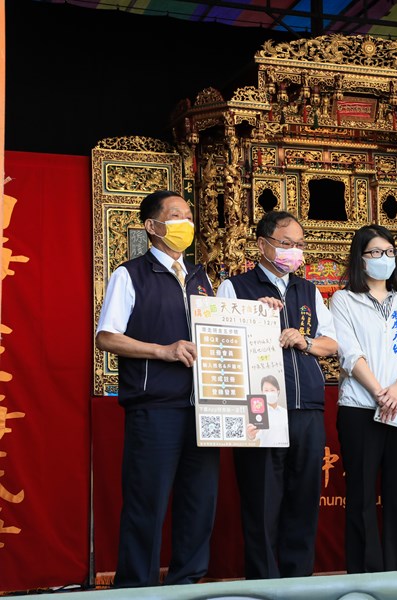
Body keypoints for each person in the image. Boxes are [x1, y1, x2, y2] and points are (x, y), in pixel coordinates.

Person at [95, 190, 219, 588]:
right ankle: (136, 589)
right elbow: (107, 337)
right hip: (155, 407)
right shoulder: (129, 274)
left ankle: (188, 584)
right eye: (176, 215)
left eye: (188, 214)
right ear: (152, 227)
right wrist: (162, 351)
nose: (187, 222)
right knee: (147, 504)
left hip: (205, 408)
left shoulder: (202, 278)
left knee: (198, 504)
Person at [216, 209, 338, 578]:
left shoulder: (309, 290)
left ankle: (298, 581)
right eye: (286, 244)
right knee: (262, 500)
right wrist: (254, 316)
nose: (293, 251)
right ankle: (265, 582)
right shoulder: (235, 288)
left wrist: (306, 341)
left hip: (306, 408)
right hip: (260, 410)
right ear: (262, 245)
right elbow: (220, 345)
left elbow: (332, 344)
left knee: (303, 501)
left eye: (299, 245)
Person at [329, 224, 397, 573]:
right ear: (360, 258)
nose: (383, 259)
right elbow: (349, 352)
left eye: (388, 252)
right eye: (374, 253)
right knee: (361, 496)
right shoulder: (343, 299)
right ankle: (366, 573)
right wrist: (377, 392)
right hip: (360, 406)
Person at [247, 375, 289, 448]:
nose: (269, 393)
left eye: (272, 390)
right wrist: (251, 435)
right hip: (265, 453)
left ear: (278, 391)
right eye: (266, 390)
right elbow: (254, 437)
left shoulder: (285, 413)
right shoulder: (258, 414)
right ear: (262, 392)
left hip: (284, 452)